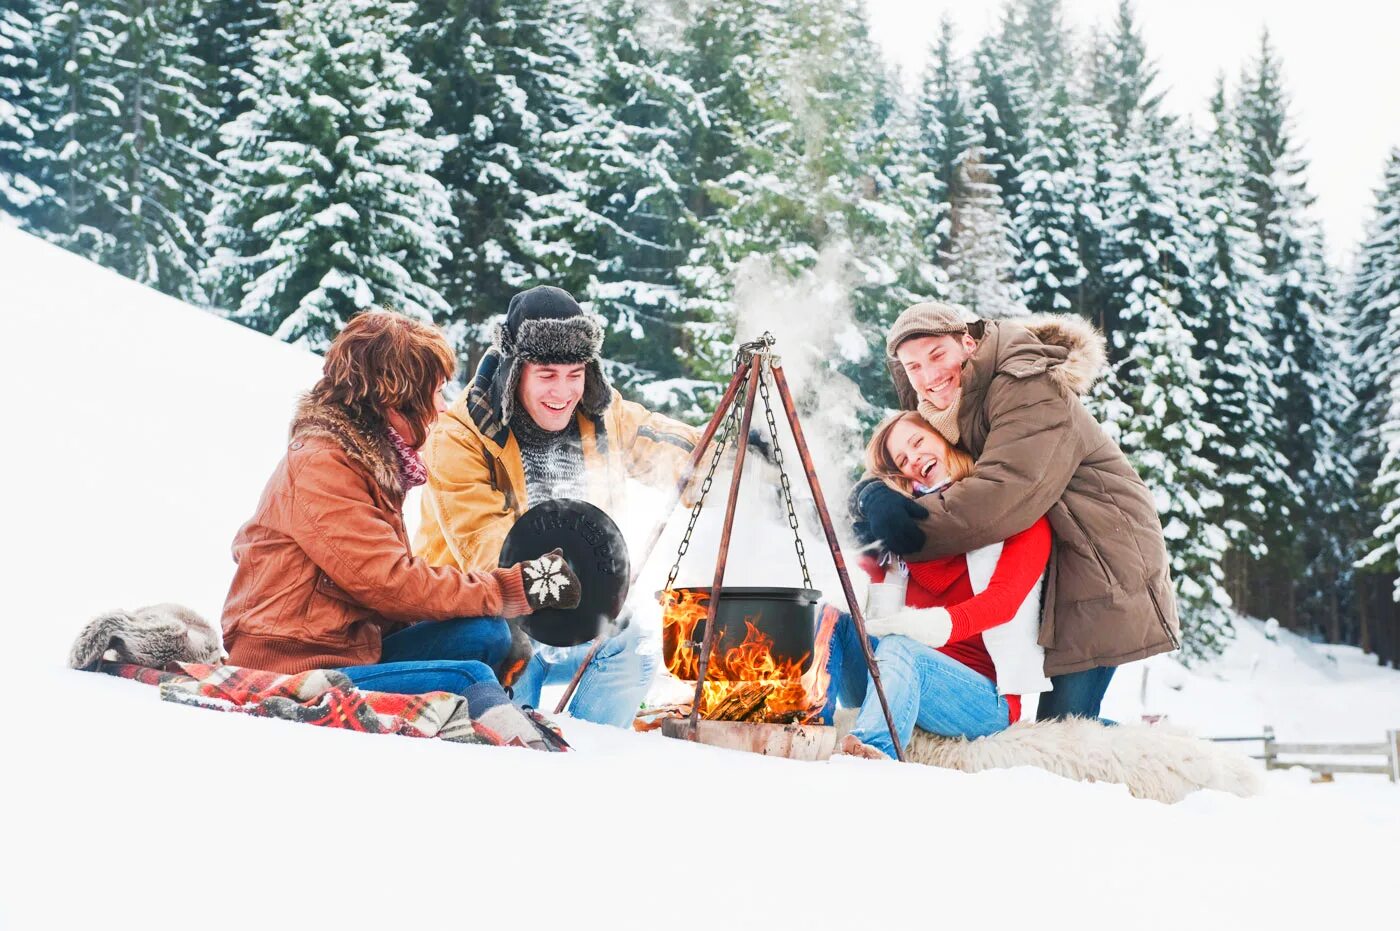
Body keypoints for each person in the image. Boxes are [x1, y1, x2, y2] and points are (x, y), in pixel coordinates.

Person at [221, 310, 581, 698]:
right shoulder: (322, 465)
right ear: (396, 399)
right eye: (435, 391)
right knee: (468, 680)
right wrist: (512, 588)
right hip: (297, 665)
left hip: (351, 649)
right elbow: (390, 582)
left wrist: (504, 602)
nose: (442, 407)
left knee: (490, 633)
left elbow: (386, 598)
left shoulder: (370, 464)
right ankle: (522, 746)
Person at [852, 302, 1180, 721]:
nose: (929, 376)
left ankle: (1154, 765)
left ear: (968, 344)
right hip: (1052, 552)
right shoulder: (956, 405)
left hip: (1097, 564)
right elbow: (897, 453)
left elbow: (999, 497)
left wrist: (899, 534)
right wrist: (868, 496)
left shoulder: (1025, 386)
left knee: (1065, 725)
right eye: (914, 367)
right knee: (1057, 731)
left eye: (937, 355)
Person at [414, 286, 702, 726]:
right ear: (515, 372)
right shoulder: (460, 437)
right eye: (547, 374)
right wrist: (570, 580)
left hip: (576, 609)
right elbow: (485, 549)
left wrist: (725, 452)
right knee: (513, 716)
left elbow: (658, 440)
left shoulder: (599, 413)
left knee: (631, 644)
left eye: (575, 373)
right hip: (487, 616)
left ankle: (590, 751)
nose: (563, 391)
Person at [830, 411, 1052, 760]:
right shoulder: (905, 528)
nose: (914, 459)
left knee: (902, 647)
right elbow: (843, 556)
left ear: (946, 438)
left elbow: (1003, 602)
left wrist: (928, 626)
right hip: (894, 674)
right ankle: (810, 729)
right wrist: (865, 503)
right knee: (837, 620)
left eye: (918, 442)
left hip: (985, 697)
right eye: (903, 460)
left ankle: (871, 758)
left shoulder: (1016, 515)